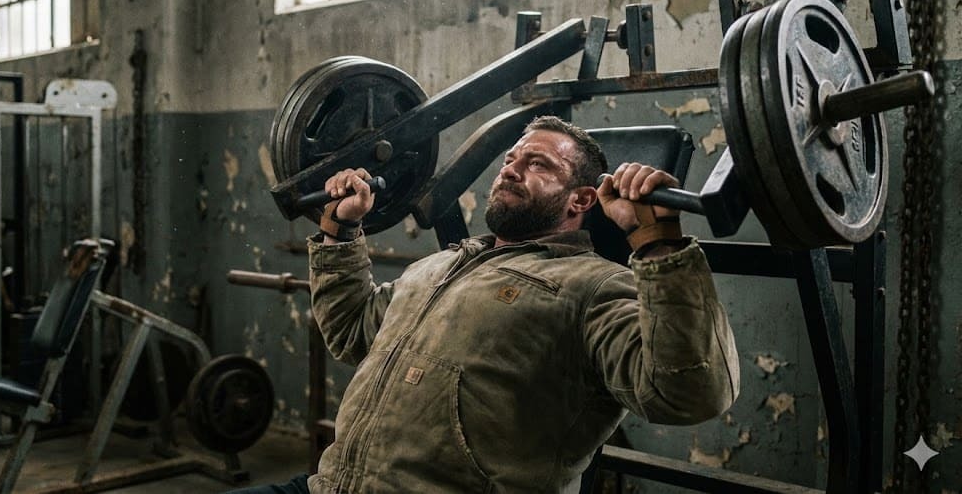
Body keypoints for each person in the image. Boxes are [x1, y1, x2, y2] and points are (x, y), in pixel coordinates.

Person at [237, 116, 739, 493]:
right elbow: (351, 330)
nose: (512, 170)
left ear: (581, 200)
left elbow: (693, 391)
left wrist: (655, 243)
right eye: (511, 160)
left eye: (538, 164)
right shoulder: (438, 266)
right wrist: (341, 228)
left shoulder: (594, 286)